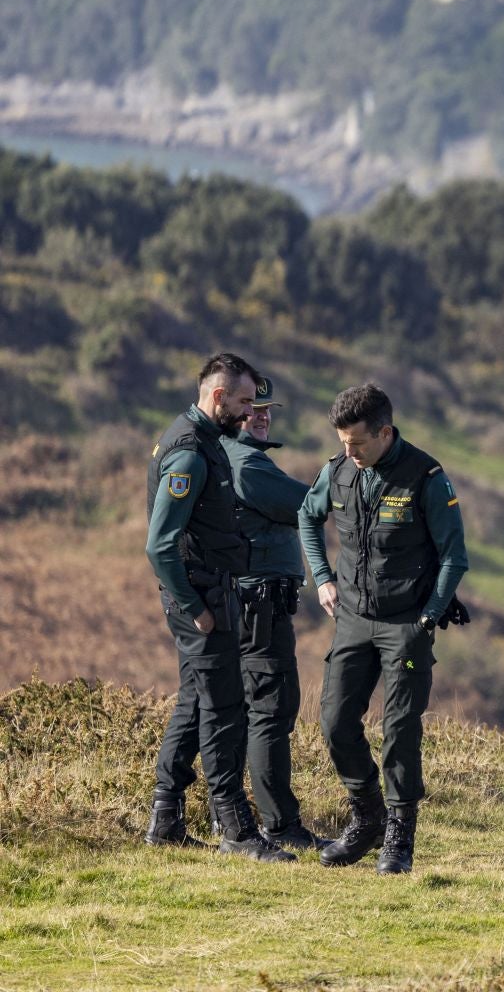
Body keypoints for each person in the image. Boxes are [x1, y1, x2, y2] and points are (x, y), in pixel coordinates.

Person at [298, 383, 468, 875]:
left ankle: (399, 835)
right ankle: (367, 815)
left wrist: (427, 618)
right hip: (351, 617)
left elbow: (455, 557)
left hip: (406, 622)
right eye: (343, 443)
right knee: (334, 721)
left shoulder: (426, 477)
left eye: (357, 443)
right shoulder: (336, 472)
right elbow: (307, 520)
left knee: (399, 729)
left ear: (385, 432)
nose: (348, 452)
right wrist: (323, 578)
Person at [143, 352, 295, 863]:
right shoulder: (189, 452)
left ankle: (165, 820)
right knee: (224, 710)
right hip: (202, 598)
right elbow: (159, 545)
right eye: (245, 400)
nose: (251, 410)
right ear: (217, 397)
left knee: (193, 700)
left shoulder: (202, 441)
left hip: (210, 591)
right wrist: (195, 608)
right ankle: (235, 828)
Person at [220, 374, 331, 853]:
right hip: (259, 604)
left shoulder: (236, 458)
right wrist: (342, 468)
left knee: (252, 708)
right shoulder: (248, 464)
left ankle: (258, 819)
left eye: (267, 408)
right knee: (271, 708)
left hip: (252, 601)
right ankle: (278, 824)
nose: (262, 415)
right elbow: (309, 505)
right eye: (252, 407)